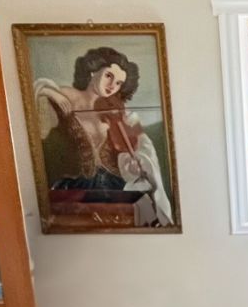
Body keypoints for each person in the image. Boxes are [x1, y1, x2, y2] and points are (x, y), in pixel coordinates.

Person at [34, 46, 173, 226]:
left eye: (119, 83)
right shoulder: (66, 96)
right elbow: (34, 104)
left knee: (145, 207)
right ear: (93, 71)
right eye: (109, 76)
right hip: (76, 186)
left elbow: (138, 148)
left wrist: (134, 164)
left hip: (111, 184)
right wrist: (48, 91)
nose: (112, 86)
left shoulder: (115, 109)